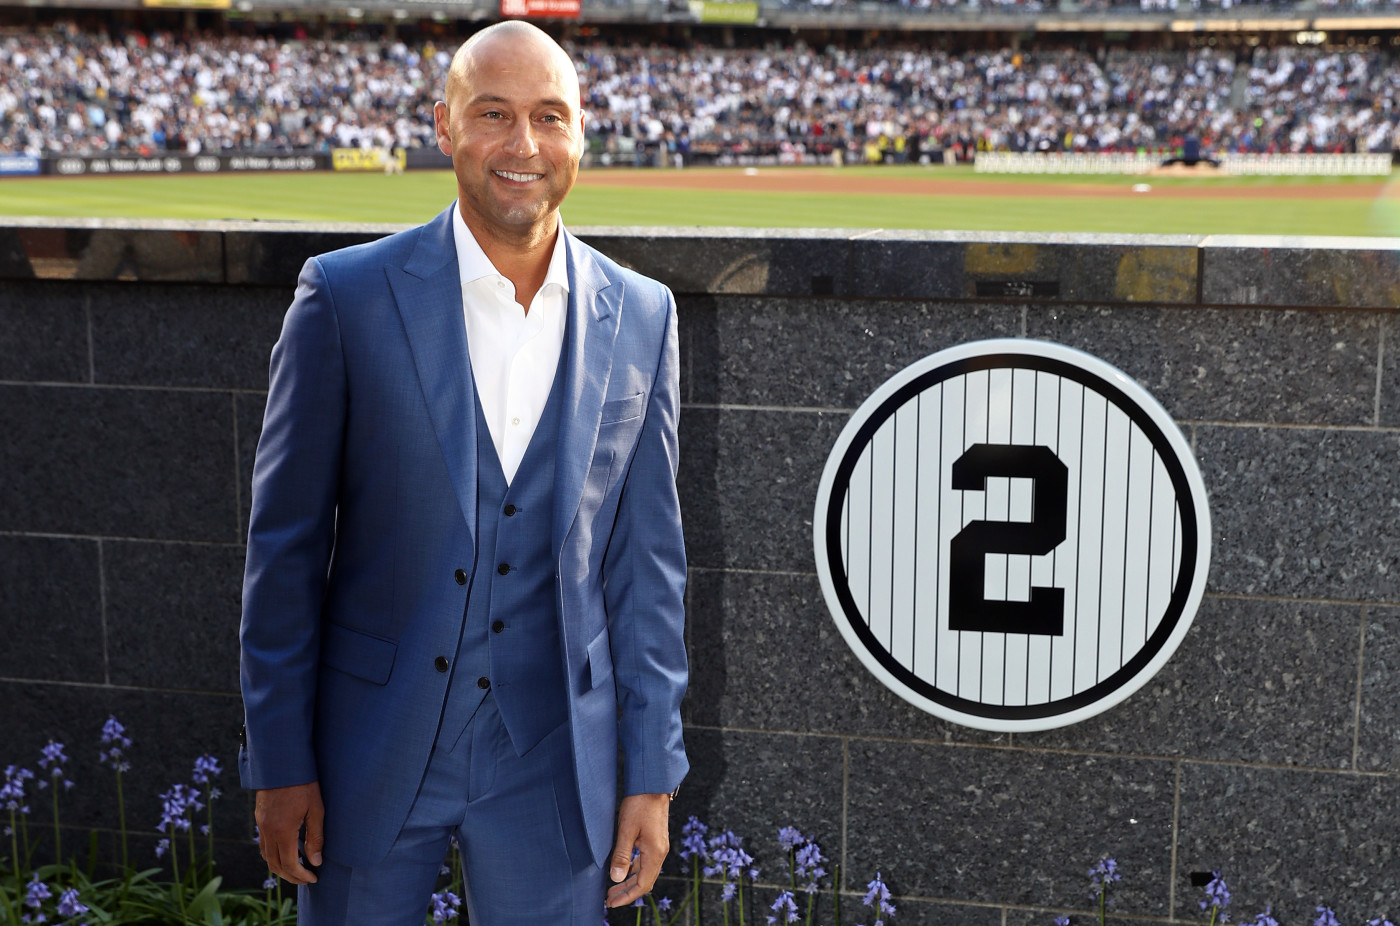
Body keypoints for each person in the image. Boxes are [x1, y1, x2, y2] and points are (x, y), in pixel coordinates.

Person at [237, 20, 688, 926]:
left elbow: (648, 571)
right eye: (493, 114)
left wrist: (653, 772)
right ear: (443, 127)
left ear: (582, 134)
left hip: (557, 758)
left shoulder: (642, 313)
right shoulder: (346, 297)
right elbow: (282, 552)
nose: (524, 146)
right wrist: (281, 759)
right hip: (371, 748)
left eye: (550, 118)